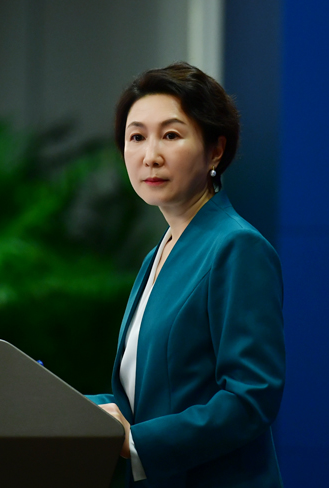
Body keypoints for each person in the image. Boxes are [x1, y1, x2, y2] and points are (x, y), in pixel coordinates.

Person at [87, 62, 285, 487]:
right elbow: (145, 397)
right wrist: (68, 408)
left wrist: (137, 442)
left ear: (215, 151)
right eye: (136, 137)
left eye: (171, 135)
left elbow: (250, 398)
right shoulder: (158, 254)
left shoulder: (236, 246)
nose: (150, 156)